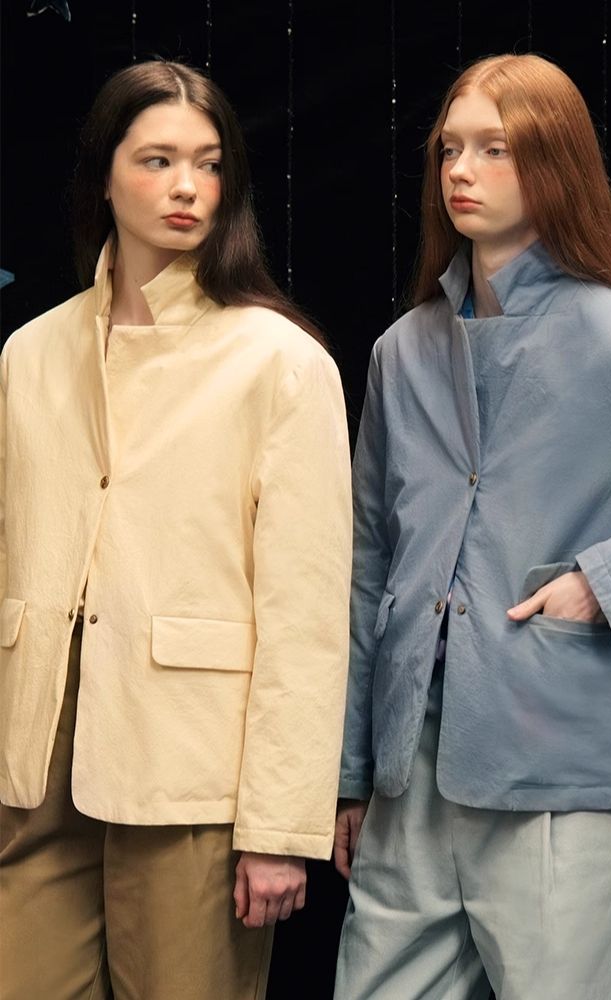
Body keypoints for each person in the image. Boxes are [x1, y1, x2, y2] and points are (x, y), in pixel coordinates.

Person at [333, 53, 611, 1000]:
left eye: (496, 148)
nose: (461, 171)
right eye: (450, 149)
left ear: (556, 164)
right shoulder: (402, 353)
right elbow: (369, 564)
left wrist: (605, 582)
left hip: (566, 767)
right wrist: (352, 773)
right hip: (410, 775)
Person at [0, 60, 352, 1000]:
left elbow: (308, 617)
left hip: (192, 774)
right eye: (157, 160)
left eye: (209, 162)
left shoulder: (280, 362)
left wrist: (278, 830)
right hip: (31, 769)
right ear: (103, 176)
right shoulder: (29, 352)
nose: (187, 186)